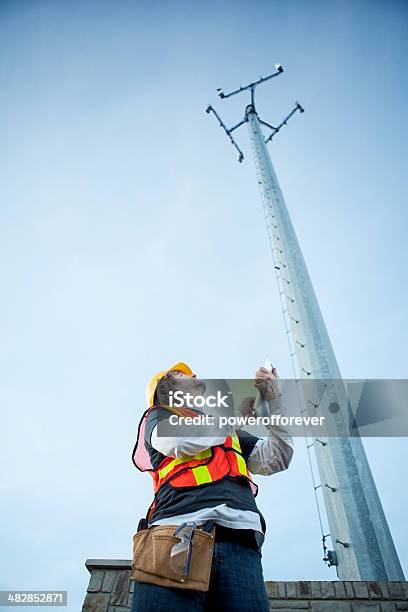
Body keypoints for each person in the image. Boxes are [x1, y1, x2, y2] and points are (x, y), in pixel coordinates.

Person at [131, 362, 293, 612]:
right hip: (175, 536)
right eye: (181, 374)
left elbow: (278, 456)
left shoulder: (226, 430)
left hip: (239, 541)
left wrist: (274, 401)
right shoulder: (159, 414)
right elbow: (176, 440)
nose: (193, 374)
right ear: (165, 390)